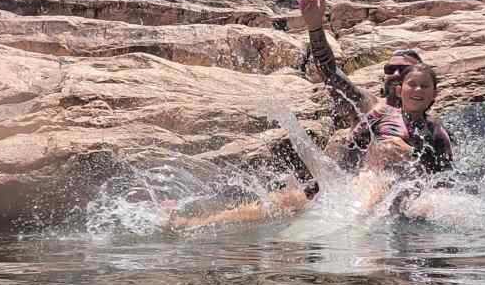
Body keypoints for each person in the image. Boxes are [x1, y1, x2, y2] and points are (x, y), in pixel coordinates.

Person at [166, 64, 453, 228]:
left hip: (393, 191)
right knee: (282, 202)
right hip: (357, 183)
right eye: (411, 84)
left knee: (388, 160)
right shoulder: (378, 114)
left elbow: (443, 178)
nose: (417, 90)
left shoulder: (436, 131)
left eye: (424, 86)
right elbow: (349, 152)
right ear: (399, 89)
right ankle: (194, 222)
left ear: (434, 94)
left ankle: (352, 226)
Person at [299, 0, 422, 133]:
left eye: (404, 70)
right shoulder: (367, 105)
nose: (395, 74)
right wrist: (314, 27)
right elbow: (329, 71)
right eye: (390, 69)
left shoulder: (430, 128)